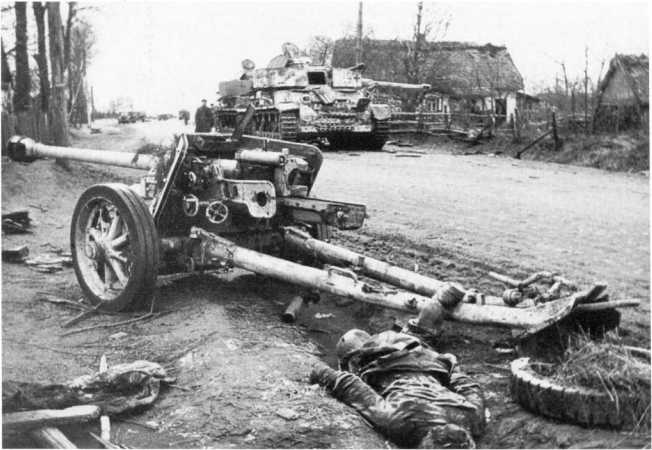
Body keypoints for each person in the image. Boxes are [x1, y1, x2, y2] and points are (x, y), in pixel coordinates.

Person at [310, 287, 485, 449]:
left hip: (424, 356)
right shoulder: (399, 424)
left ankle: (439, 302)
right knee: (349, 341)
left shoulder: (474, 418)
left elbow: (468, 385)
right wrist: (319, 371)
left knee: (420, 335)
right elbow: (350, 384)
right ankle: (431, 312)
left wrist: (448, 364)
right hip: (379, 358)